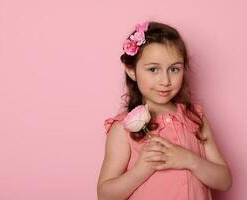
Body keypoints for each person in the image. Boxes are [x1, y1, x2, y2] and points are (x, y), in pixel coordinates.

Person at [97, 21, 232, 200]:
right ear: (131, 71)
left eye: (174, 69)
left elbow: (224, 181)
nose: (165, 80)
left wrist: (190, 160)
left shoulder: (195, 118)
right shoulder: (123, 128)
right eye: (153, 69)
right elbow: (105, 195)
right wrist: (141, 170)